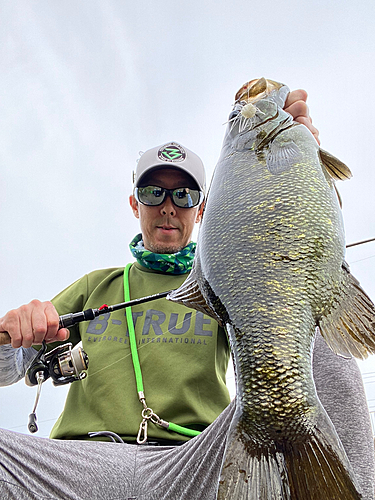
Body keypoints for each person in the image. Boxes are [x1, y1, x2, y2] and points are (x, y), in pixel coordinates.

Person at [0, 91, 374, 500]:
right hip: (79, 463)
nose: (167, 207)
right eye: (153, 193)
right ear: (134, 204)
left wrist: (301, 167)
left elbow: (293, 287)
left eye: (184, 196)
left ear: (201, 210)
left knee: (317, 337)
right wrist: (15, 332)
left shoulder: (229, 276)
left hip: (198, 460)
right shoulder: (95, 285)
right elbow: (9, 369)